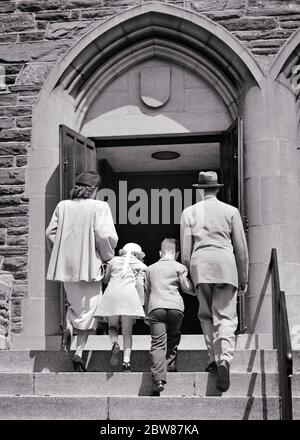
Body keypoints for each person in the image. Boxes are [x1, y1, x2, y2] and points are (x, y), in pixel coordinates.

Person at [180, 171, 248, 393]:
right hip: (226, 267)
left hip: (201, 267)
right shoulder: (231, 211)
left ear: (200, 190)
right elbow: (241, 249)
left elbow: (186, 253)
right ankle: (225, 360)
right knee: (226, 316)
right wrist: (243, 277)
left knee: (206, 315)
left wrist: (189, 276)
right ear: (217, 189)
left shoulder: (189, 212)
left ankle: (212, 357)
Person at [46, 171, 118, 372]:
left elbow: (50, 233)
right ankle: (79, 352)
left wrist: (61, 252)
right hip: (90, 266)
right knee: (91, 311)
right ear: (94, 189)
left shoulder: (62, 206)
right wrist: (107, 257)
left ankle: (69, 326)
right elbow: (105, 236)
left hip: (67, 267)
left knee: (75, 304)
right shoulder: (100, 206)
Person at [144, 238, 195, 396]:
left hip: (156, 308)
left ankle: (159, 379)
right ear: (177, 254)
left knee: (158, 343)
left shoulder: (150, 269)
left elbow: (146, 292)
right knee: (173, 336)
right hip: (175, 308)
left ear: (160, 253)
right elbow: (187, 288)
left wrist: (146, 312)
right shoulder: (180, 267)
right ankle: (170, 365)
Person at [95, 242, 147, 371]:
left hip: (112, 295)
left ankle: (115, 343)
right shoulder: (142, 266)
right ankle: (126, 363)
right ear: (138, 254)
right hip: (129, 297)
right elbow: (140, 285)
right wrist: (141, 304)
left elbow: (106, 279)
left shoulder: (113, 261)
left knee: (112, 326)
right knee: (127, 332)